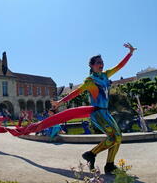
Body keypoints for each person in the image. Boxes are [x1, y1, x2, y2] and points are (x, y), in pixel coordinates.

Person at [51, 43, 136, 173]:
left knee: (118, 137)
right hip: (97, 113)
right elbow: (76, 92)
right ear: (91, 65)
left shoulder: (105, 75)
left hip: (105, 112)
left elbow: (120, 66)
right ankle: (92, 154)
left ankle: (108, 164)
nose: (101, 64)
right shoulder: (90, 80)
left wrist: (130, 53)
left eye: (102, 62)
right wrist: (60, 102)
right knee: (115, 137)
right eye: (98, 63)